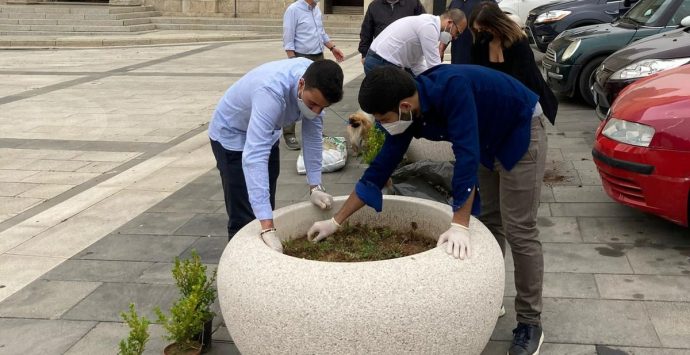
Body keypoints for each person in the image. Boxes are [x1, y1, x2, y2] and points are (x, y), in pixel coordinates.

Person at [307, 65, 547, 355]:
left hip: (519, 128)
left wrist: (459, 222)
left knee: (519, 229)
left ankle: (530, 323)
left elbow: (466, 156)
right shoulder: (407, 113)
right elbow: (380, 168)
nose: (382, 126)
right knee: (491, 221)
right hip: (485, 136)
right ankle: (491, 295)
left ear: (404, 106)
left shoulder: (452, 89)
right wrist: (336, 221)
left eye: (383, 119)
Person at [209, 58, 344, 252]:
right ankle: (241, 265)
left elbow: (313, 137)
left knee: (265, 197)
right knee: (244, 213)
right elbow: (255, 156)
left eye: (322, 107)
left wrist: (315, 186)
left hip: (268, 129)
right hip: (232, 133)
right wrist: (267, 226)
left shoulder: (318, 81)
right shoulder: (270, 92)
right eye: (312, 104)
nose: (316, 111)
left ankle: (263, 245)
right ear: (301, 84)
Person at [469, 1, 557, 124]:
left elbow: (521, 79)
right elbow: (477, 75)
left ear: (496, 23)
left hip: (525, 103)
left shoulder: (519, 43)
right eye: (478, 30)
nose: (481, 32)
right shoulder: (481, 43)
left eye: (484, 28)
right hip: (495, 106)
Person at [282, 0, 345, 151]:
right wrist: (293, 62)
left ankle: (315, 130)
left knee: (318, 96)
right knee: (295, 95)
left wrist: (332, 47)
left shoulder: (316, 9)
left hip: (318, 56)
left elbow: (320, 32)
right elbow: (288, 38)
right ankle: (289, 133)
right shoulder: (293, 10)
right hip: (300, 56)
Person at [363, 9, 467, 76]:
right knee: (391, 105)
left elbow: (417, 63)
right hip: (380, 63)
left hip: (380, 61)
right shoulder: (429, 27)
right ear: (450, 23)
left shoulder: (429, 25)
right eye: (457, 32)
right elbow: (435, 66)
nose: (455, 37)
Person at [358, 0, 426, 65]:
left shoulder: (414, 3)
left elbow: (424, 25)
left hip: (407, 58)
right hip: (381, 57)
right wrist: (364, 54)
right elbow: (366, 32)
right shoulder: (374, 5)